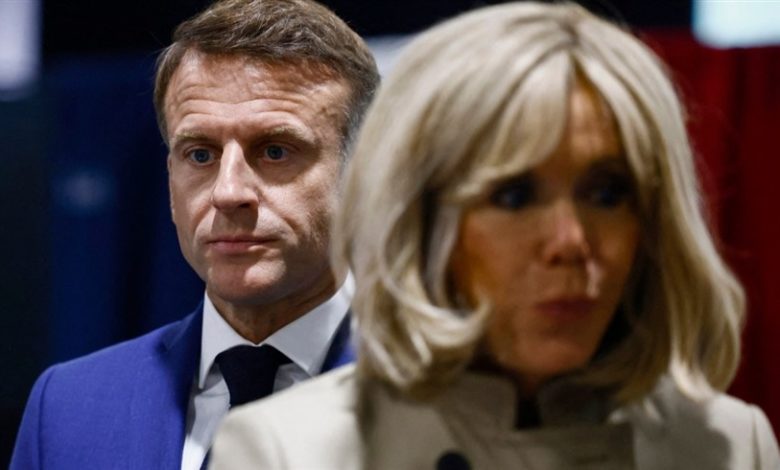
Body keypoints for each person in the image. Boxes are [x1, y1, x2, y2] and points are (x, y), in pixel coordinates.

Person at [209, 2, 780, 469]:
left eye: (607, 194)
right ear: (418, 220)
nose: (570, 242)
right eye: (514, 196)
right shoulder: (286, 451)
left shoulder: (730, 446)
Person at [11, 1, 379, 469]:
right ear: (170, 181)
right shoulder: (66, 408)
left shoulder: (444, 400)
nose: (228, 192)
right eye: (200, 155)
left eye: (275, 151)